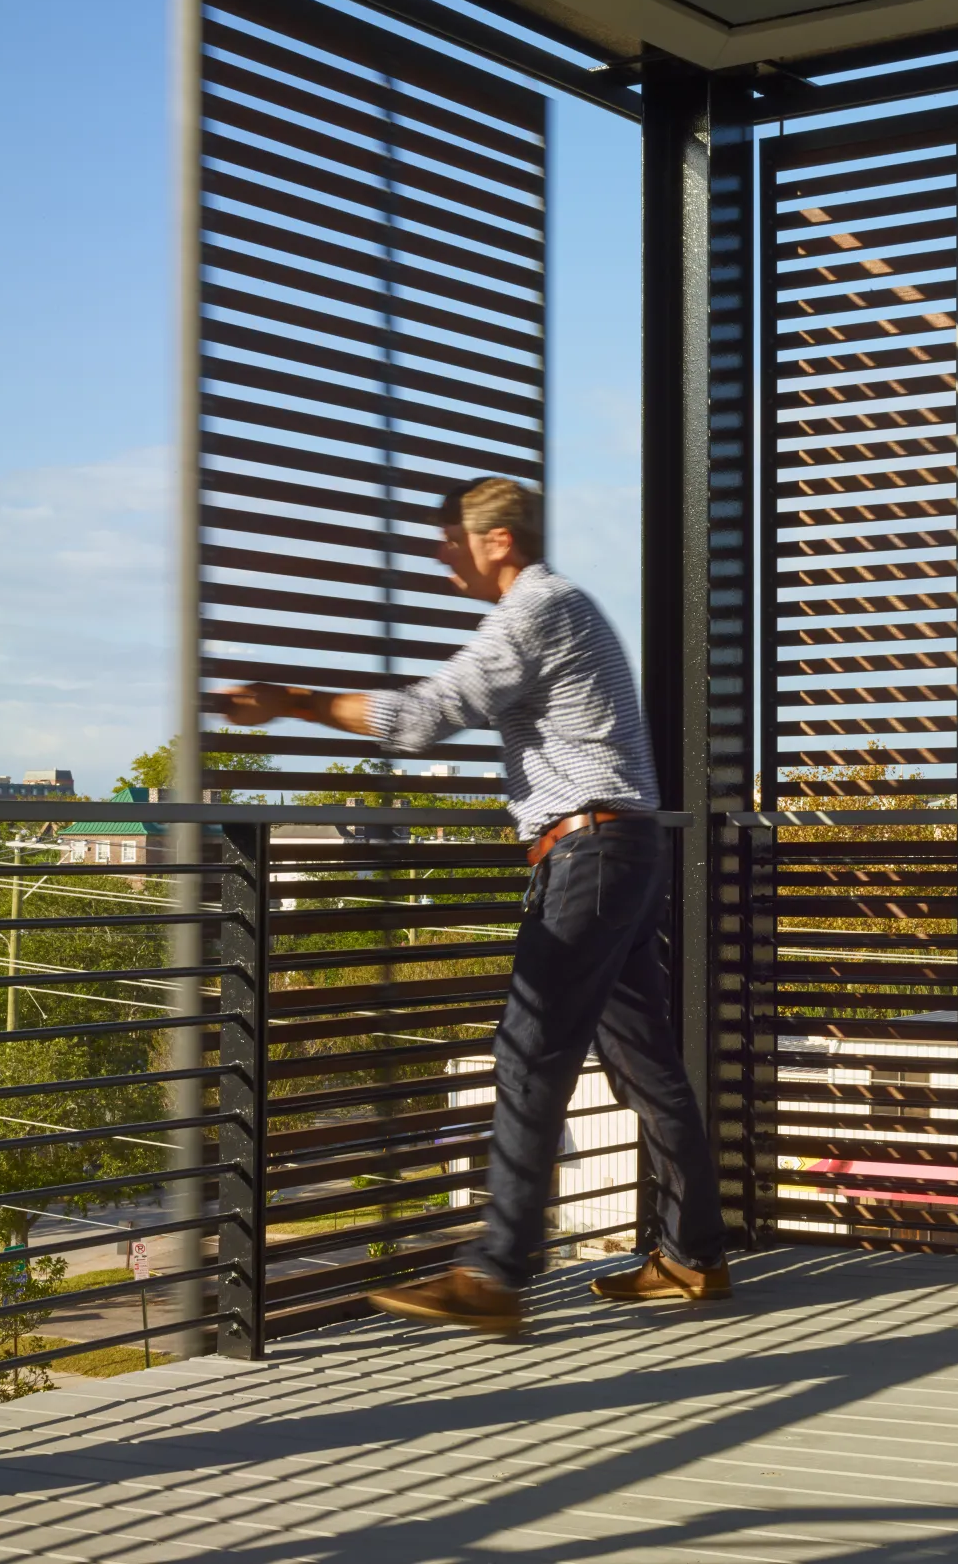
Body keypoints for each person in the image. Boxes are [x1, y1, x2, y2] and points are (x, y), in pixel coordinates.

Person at [218, 475, 729, 1337]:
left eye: (448, 537)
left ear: (496, 540)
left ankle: (496, 1272)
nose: (438, 553)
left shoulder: (536, 609)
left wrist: (291, 702)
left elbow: (423, 718)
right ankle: (694, 1255)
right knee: (646, 1066)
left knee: (531, 1050)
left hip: (592, 852)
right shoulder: (565, 607)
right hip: (624, 848)